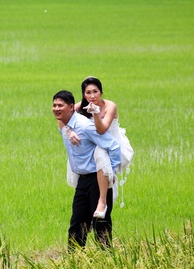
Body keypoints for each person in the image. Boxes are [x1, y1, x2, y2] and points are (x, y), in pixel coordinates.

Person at [52, 90, 121, 250]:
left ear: (71, 107)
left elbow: (114, 146)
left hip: (97, 180)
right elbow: (60, 124)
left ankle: (107, 263)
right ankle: (74, 264)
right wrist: (68, 131)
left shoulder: (85, 126)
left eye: (60, 105)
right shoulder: (66, 125)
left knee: (100, 224)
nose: (56, 109)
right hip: (82, 181)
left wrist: (112, 172)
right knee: (77, 224)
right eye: (54, 105)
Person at [60, 76, 133, 219]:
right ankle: (86, 214)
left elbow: (102, 130)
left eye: (95, 91)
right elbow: (61, 118)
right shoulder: (80, 106)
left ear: (101, 92)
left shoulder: (110, 106)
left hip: (110, 145)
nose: (92, 96)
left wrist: (95, 114)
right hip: (91, 146)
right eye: (88, 92)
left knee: (101, 153)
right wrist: (69, 131)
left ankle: (102, 202)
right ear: (83, 94)